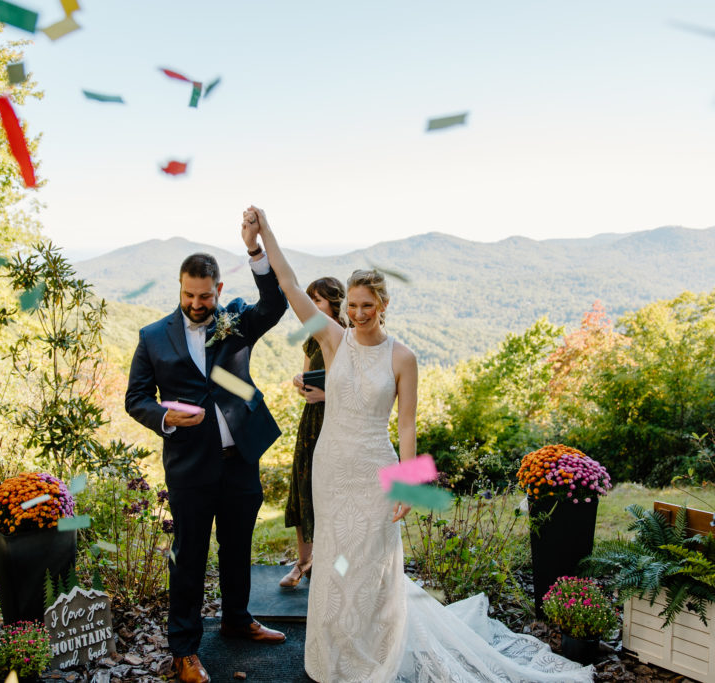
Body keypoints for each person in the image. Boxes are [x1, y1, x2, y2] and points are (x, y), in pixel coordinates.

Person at [245, 206, 594, 683]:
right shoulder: (332, 339)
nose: (359, 313)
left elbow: (407, 426)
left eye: (368, 305)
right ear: (344, 305)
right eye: (353, 304)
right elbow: (288, 285)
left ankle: (375, 649)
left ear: (384, 305)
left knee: (370, 565)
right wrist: (263, 235)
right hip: (330, 468)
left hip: (375, 471)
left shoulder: (403, 357)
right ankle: (332, 654)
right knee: (333, 559)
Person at [124, 222, 289, 683]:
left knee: (238, 549)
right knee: (189, 556)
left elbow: (275, 303)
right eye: (188, 295)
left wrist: (255, 250)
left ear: (218, 288)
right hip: (189, 468)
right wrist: (165, 418)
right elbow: (136, 398)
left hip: (241, 462)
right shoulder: (153, 336)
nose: (197, 305)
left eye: (204, 296)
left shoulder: (235, 321)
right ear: (180, 288)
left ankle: (237, 620)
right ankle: (183, 651)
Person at [280, 276, 346, 588]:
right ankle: (303, 561)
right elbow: (308, 381)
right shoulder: (311, 339)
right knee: (303, 488)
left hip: (338, 422)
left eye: (316, 301)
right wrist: (300, 383)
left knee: (332, 494)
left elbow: (360, 390)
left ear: (334, 303)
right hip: (310, 423)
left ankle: (337, 563)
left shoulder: (348, 338)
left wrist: (326, 395)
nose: (311, 307)